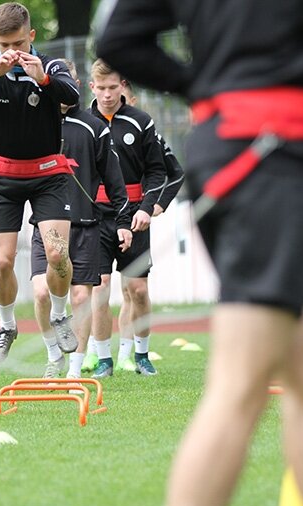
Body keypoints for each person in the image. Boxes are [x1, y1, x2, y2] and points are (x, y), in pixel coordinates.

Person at [96, 0, 303, 506]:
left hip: (228, 149)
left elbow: (117, 39)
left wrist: (204, 86)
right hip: (272, 161)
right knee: (241, 380)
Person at [0, 2, 80, 363]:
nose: (11, 52)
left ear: (32, 35)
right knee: (2, 263)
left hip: (48, 175)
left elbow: (72, 96)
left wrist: (43, 78)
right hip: (2, 177)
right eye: (3, 45)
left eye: (18, 44)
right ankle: (7, 326)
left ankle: (60, 315)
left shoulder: (51, 66)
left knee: (57, 254)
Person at [30, 59, 132, 380]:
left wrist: (123, 222)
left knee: (80, 297)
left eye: (67, 82)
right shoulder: (34, 122)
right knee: (42, 293)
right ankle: (53, 355)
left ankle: (74, 371)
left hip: (85, 226)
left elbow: (114, 179)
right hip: (46, 225)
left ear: (75, 85)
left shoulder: (94, 127)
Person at [84, 80, 184, 373]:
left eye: (113, 87)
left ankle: (139, 355)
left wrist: (151, 207)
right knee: (100, 287)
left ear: (123, 87)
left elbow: (164, 171)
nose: (107, 94)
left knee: (136, 291)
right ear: (91, 86)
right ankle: (103, 358)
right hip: (97, 217)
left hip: (134, 214)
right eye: (101, 87)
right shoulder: (84, 122)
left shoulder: (141, 122)